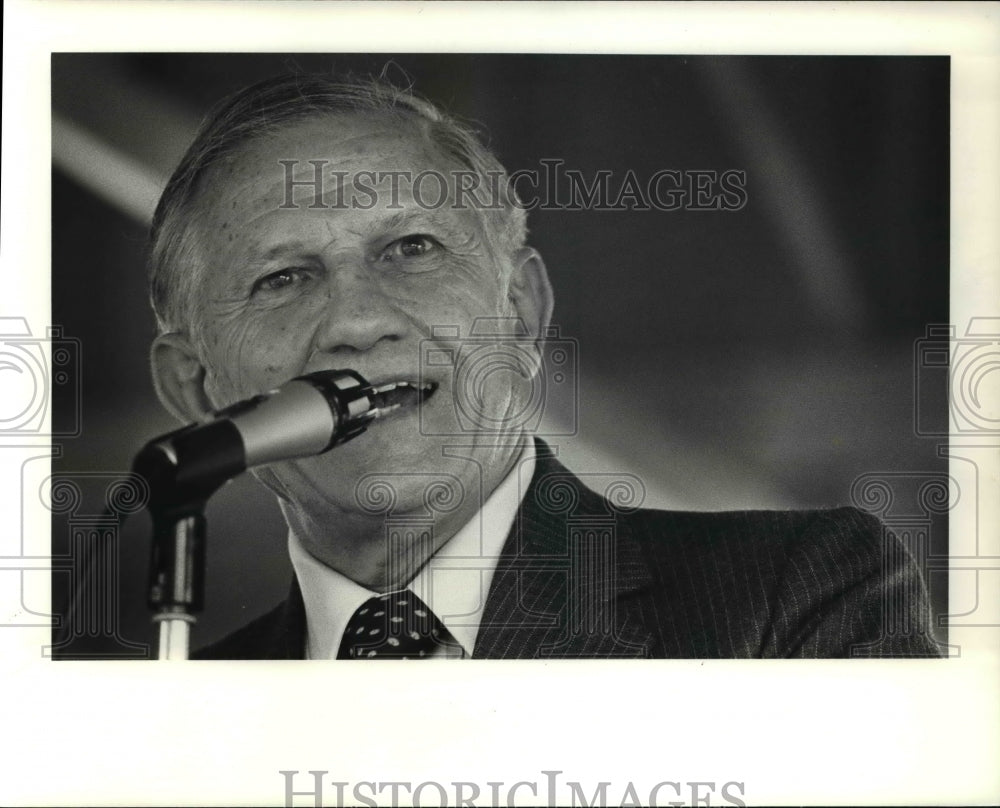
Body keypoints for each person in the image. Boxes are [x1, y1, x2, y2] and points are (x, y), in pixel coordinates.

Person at [147, 73, 941, 659]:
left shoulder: (799, 596)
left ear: (522, 313)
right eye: (282, 278)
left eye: (411, 248)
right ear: (194, 388)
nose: (356, 321)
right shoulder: (172, 702)